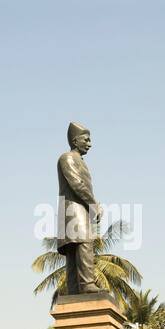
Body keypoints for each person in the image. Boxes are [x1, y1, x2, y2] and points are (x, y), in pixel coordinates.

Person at [57, 122, 105, 294]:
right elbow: (77, 183)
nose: (90, 144)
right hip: (74, 211)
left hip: (78, 210)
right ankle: (86, 284)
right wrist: (94, 205)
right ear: (75, 141)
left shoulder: (79, 161)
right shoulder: (67, 158)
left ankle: (75, 289)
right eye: (86, 140)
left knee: (75, 249)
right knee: (82, 244)